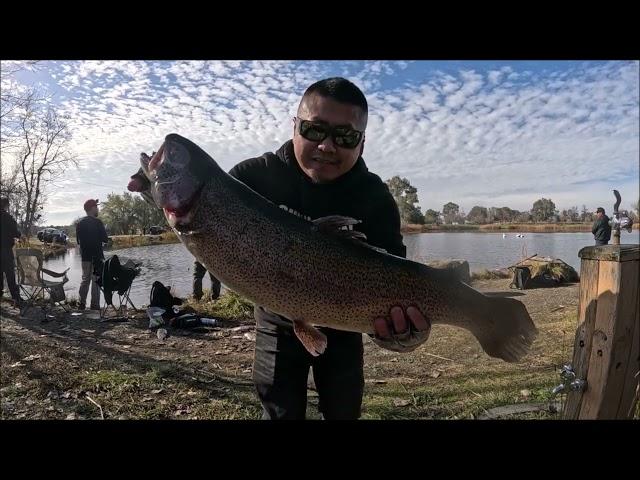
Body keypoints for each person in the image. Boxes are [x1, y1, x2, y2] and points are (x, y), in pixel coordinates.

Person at [225, 77, 431, 419]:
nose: (327, 146)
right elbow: (203, 215)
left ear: (361, 144)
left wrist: (404, 335)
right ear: (295, 126)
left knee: (342, 409)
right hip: (277, 318)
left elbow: (399, 283)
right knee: (279, 411)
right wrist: (159, 191)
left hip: (344, 325)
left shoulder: (375, 199)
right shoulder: (252, 178)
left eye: (345, 136)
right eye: (315, 129)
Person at [75, 199, 108, 310]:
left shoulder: (79, 223)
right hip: (97, 257)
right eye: (96, 207)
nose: (97, 209)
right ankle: (95, 305)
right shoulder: (98, 222)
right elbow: (105, 239)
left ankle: (82, 303)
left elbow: (78, 241)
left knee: (85, 280)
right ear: (92, 208)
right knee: (96, 281)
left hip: (85, 257)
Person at [0, 197, 23, 307]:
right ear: (6, 205)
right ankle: (16, 297)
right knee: (10, 274)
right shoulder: (7, 217)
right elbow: (15, 232)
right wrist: (19, 235)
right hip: (5, 250)